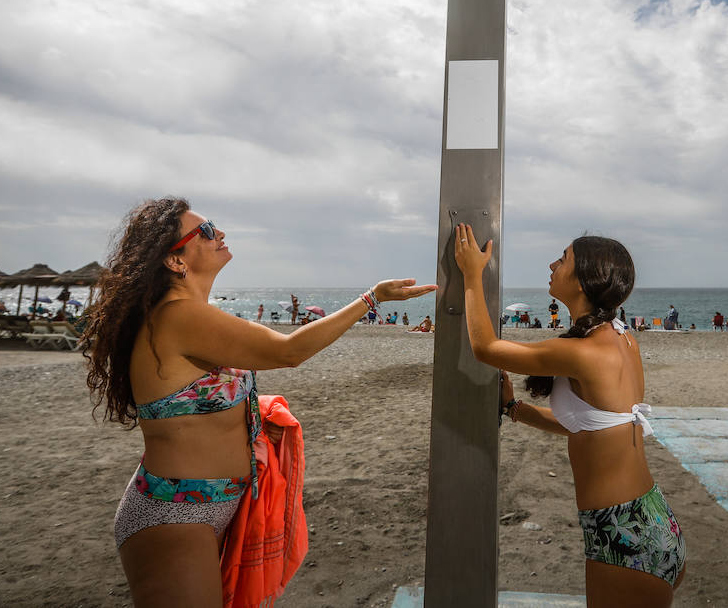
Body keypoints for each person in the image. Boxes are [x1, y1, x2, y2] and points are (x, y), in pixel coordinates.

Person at [82, 198, 434, 607]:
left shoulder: (195, 313)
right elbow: (289, 351)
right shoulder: (178, 317)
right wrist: (371, 298)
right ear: (175, 261)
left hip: (217, 505)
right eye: (207, 231)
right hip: (175, 514)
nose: (221, 233)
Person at [454, 225, 685, 606]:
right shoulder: (621, 336)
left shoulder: (585, 351)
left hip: (622, 532)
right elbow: (588, 427)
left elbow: (484, 347)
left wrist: (471, 274)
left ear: (584, 280)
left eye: (562, 259)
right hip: (653, 518)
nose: (552, 264)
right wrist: (516, 410)